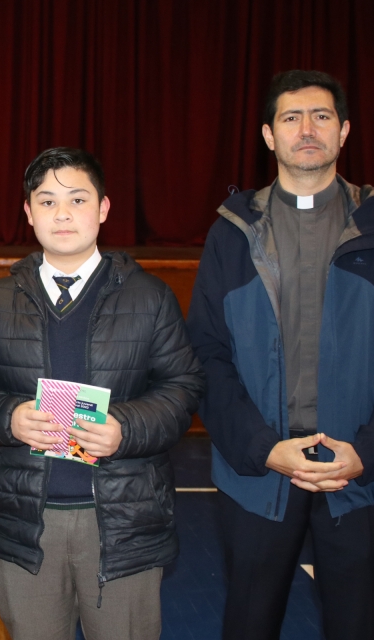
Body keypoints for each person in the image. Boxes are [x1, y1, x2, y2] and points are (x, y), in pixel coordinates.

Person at [0, 147, 204, 640]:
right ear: (27, 213)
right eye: (46, 201)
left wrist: (125, 429)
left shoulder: (149, 297)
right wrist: (8, 417)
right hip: (26, 522)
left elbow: (183, 387)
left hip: (122, 523)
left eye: (77, 199)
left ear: (103, 209)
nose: (62, 214)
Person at [187, 70, 374, 640]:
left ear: (344, 131)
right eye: (291, 118)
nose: (307, 129)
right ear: (269, 136)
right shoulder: (232, 234)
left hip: (359, 475)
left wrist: (365, 451)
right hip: (259, 472)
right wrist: (265, 448)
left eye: (321, 116)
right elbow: (206, 355)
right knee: (250, 622)